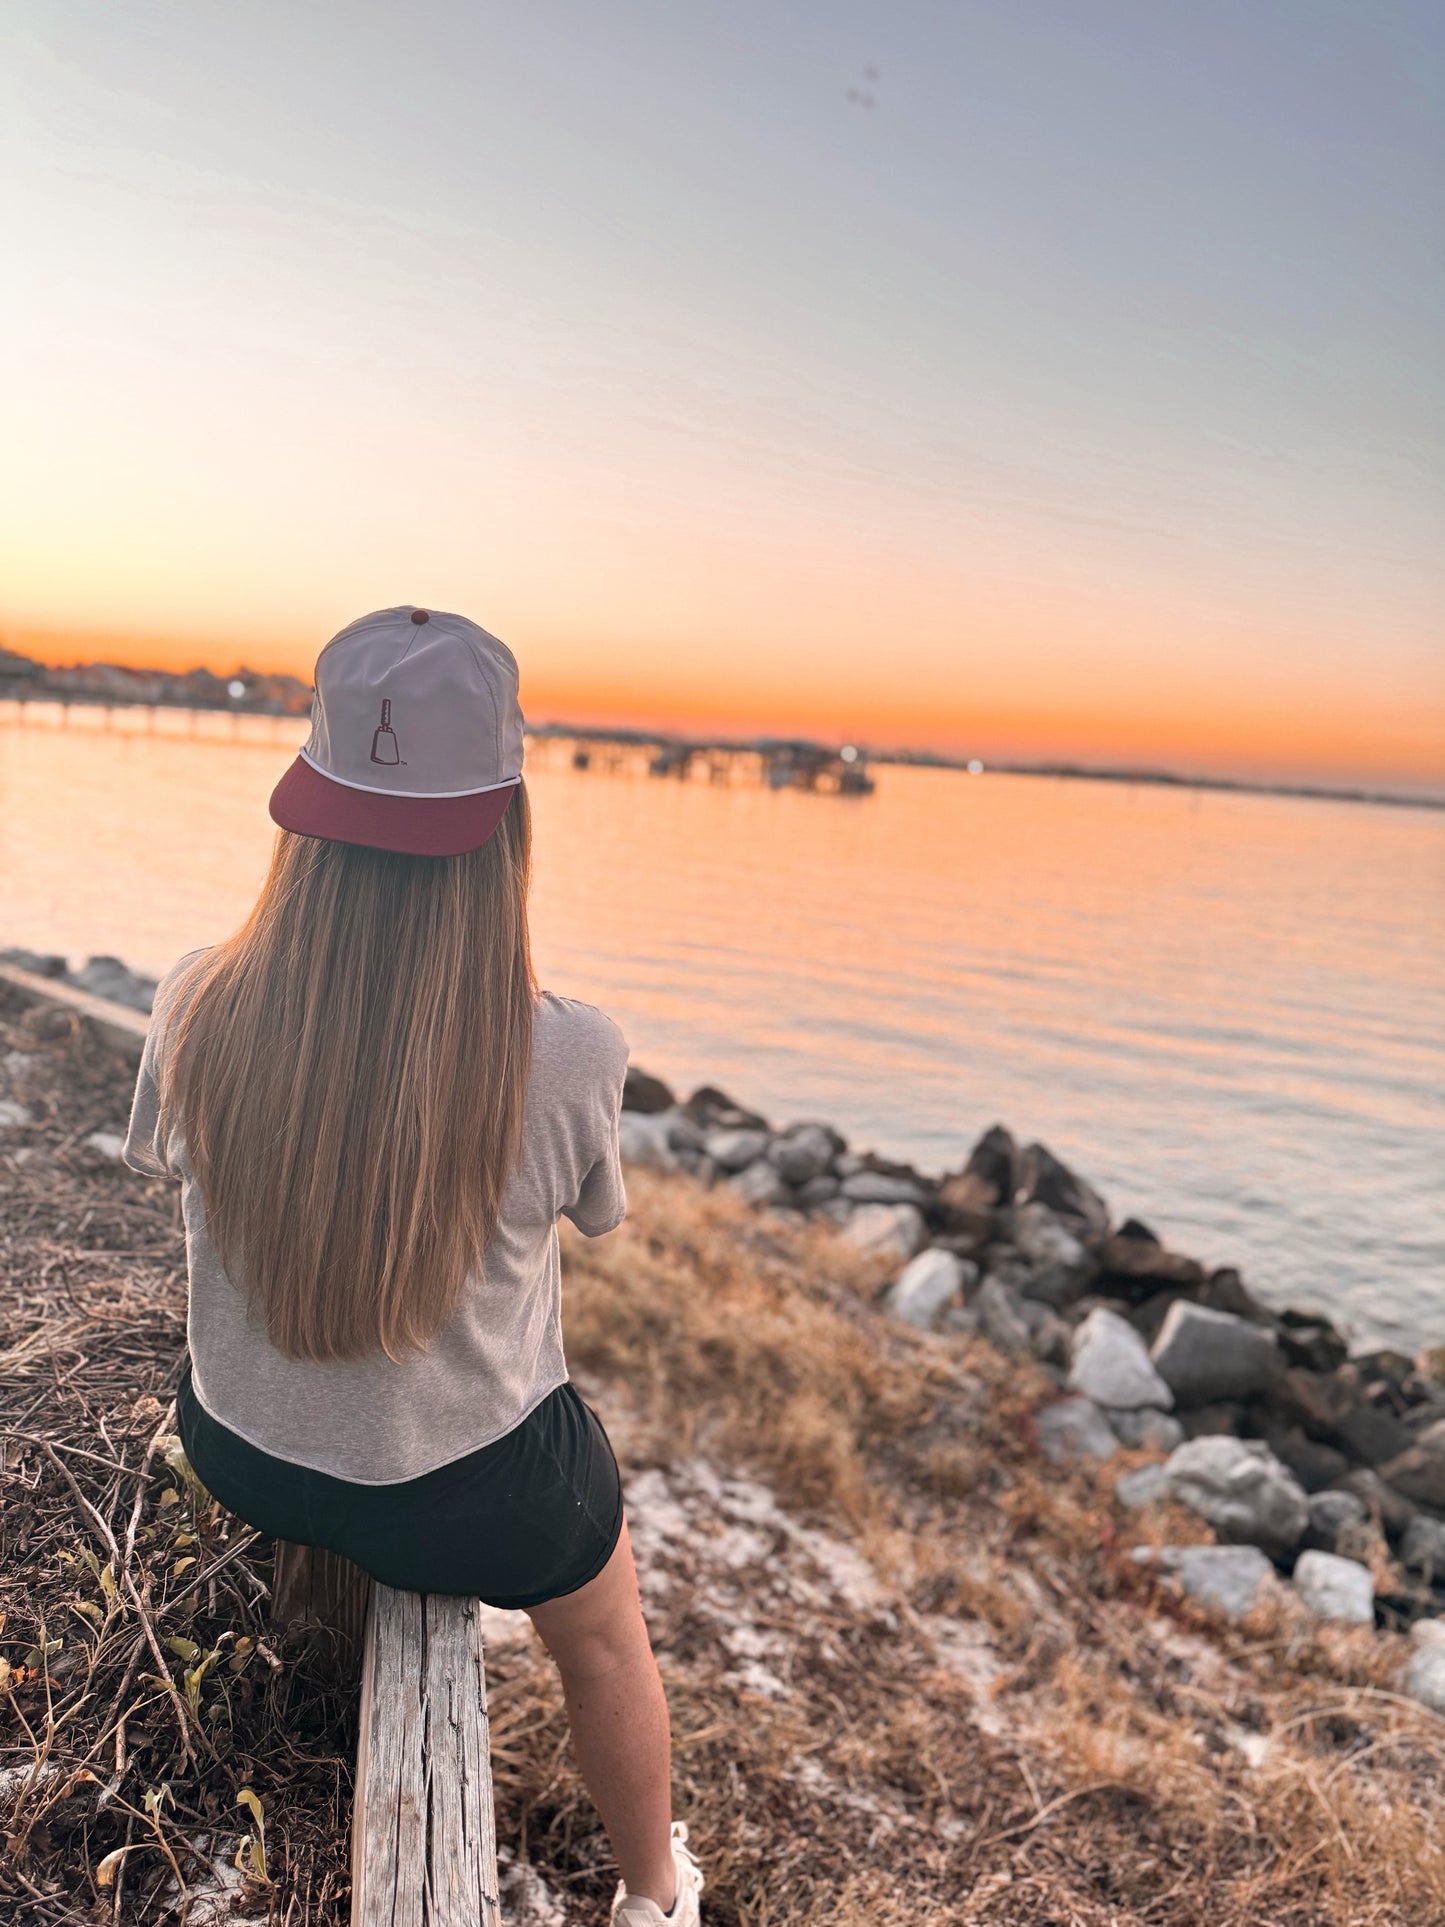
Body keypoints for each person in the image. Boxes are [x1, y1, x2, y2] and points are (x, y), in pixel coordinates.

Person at [123, 606, 704, 1927]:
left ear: (308, 809)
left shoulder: (191, 996)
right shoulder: (565, 1050)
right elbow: (591, 1220)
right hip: (465, 1494)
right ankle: (655, 1894)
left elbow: (172, 1173)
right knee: (608, 1644)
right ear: (504, 817)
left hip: (239, 1443)